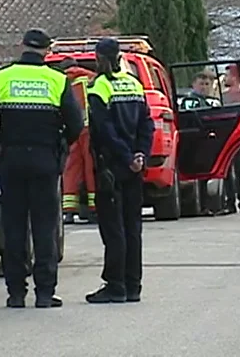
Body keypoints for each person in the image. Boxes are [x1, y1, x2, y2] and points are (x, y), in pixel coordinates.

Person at [0, 29, 83, 309]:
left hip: (11, 159)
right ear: (47, 51)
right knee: (44, 227)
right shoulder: (57, 80)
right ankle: (45, 293)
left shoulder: (2, 77)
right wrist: (60, 144)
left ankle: (15, 292)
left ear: (22, 46)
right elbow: (76, 124)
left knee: (14, 227)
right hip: (45, 160)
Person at [85, 38, 155, 304]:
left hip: (112, 167)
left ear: (100, 58)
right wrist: (140, 155)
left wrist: (126, 157)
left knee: (114, 227)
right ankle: (133, 285)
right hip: (134, 167)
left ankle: (115, 285)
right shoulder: (134, 84)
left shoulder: (100, 86)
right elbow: (146, 125)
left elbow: (104, 130)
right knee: (132, 226)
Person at [58, 57, 98, 224]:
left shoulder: (61, 81)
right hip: (91, 129)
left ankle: (68, 211)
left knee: (71, 169)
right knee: (91, 168)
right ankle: (94, 208)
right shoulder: (92, 78)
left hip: (72, 128)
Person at [220, 64, 240, 215]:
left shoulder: (228, 95)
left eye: (227, 75)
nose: (225, 78)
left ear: (234, 76)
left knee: (227, 169)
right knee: (238, 170)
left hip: (230, 136)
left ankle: (231, 203)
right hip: (238, 137)